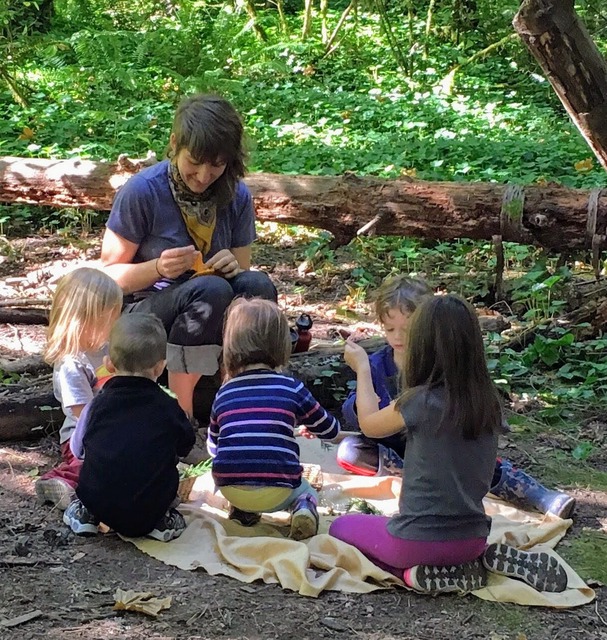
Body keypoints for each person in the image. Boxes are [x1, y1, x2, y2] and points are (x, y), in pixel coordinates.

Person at [330, 294, 568, 594]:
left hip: (414, 540)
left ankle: (417, 574)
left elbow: (368, 424)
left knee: (341, 529)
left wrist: (362, 368)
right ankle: (472, 564)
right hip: (472, 540)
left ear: (422, 346)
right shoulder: (487, 401)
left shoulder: (421, 401)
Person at [337, 274, 575, 520]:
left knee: (471, 461)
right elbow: (362, 421)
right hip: (400, 449)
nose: (398, 337)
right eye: (390, 329)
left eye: (408, 330)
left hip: (446, 450)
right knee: (351, 451)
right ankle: (413, 476)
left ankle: (529, 491)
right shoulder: (378, 364)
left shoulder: (441, 366)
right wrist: (359, 399)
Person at [100, 93, 277, 421]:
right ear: (174, 144)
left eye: (217, 164)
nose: (204, 174)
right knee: (211, 291)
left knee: (258, 287)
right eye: (194, 161)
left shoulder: (236, 195)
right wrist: (157, 267)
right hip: (145, 314)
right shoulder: (143, 191)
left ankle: (251, 395)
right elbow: (108, 279)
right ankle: (183, 414)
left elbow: (244, 270)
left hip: (209, 305)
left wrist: (231, 266)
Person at [207, 298, 340, 540]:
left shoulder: (224, 392)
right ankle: (302, 508)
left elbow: (213, 446)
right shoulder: (291, 387)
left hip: (230, 488)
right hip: (279, 490)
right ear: (280, 344)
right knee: (307, 489)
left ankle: (243, 511)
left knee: (240, 470)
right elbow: (329, 430)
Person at [63, 313, 196, 541]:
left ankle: (85, 515)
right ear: (160, 368)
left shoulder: (97, 405)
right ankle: (161, 522)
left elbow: (77, 450)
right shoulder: (168, 407)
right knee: (165, 477)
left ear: (109, 365)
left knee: (89, 480)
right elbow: (186, 445)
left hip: (100, 503)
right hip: (149, 509)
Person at [35, 268, 123, 510]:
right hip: (83, 436)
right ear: (85, 319)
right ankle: (59, 481)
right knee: (94, 464)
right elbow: (83, 415)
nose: (116, 322)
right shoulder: (71, 364)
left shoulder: (107, 348)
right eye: (110, 316)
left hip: (115, 426)